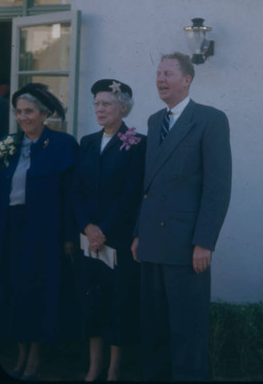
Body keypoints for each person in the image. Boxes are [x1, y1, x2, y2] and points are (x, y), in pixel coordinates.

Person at [131, 52, 232, 381]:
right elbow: (148, 183)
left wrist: (205, 242)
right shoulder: (153, 120)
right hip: (151, 244)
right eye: (158, 73)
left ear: (187, 80)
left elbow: (217, 188)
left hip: (187, 248)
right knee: (154, 332)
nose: (161, 79)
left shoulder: (210, 120)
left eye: (168, 74)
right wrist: (137, 233)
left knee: (188, 333)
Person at [0, 83, 79, 380]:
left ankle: (35, 356)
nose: (23, 117)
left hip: (44, 232)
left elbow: (71, 197)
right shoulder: (8, 144)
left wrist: (69, 236)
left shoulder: (62, 145)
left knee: (37, 292)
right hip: (9, 230)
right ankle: (19, 354)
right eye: (18, 111)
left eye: (29, 111)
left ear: (44, 113)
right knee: (12, 291)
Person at [71, 79, 146, 381]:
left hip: (117, 238)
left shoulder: (137, 142)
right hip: (88, 238)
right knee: (92, 302)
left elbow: (131, 194)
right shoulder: (87, 142)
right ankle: (94, 366)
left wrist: (104, 229)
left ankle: (114, 368)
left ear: (123, 107)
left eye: (106, 104)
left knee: (118, 303)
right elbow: (75, 189)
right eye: (97, 104)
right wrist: (88, 227)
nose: (99, 109)